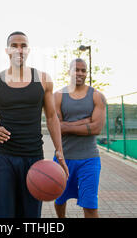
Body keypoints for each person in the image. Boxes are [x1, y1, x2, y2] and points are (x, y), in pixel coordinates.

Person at [0, 31, 69, 218]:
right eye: (14, 45)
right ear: (7, 50)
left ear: (28, 50)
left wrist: (59, 152)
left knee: (30, 217)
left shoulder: (43, 79)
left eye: (23, 46)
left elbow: (52, 117)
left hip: (34, 159)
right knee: (3, 216)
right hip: (4, 158)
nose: (19, 50)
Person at [53, 58, 106, 218]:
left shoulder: (97, 96)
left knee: (90, 206)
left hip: (89, 159)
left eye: (83, 70)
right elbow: (57, 128)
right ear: (68, 71)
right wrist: (85, 121)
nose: (80, 73)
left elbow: (96, 128)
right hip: (63, 158)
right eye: (76, 69)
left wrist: (67, 125)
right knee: (59, 200)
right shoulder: (57, 96)